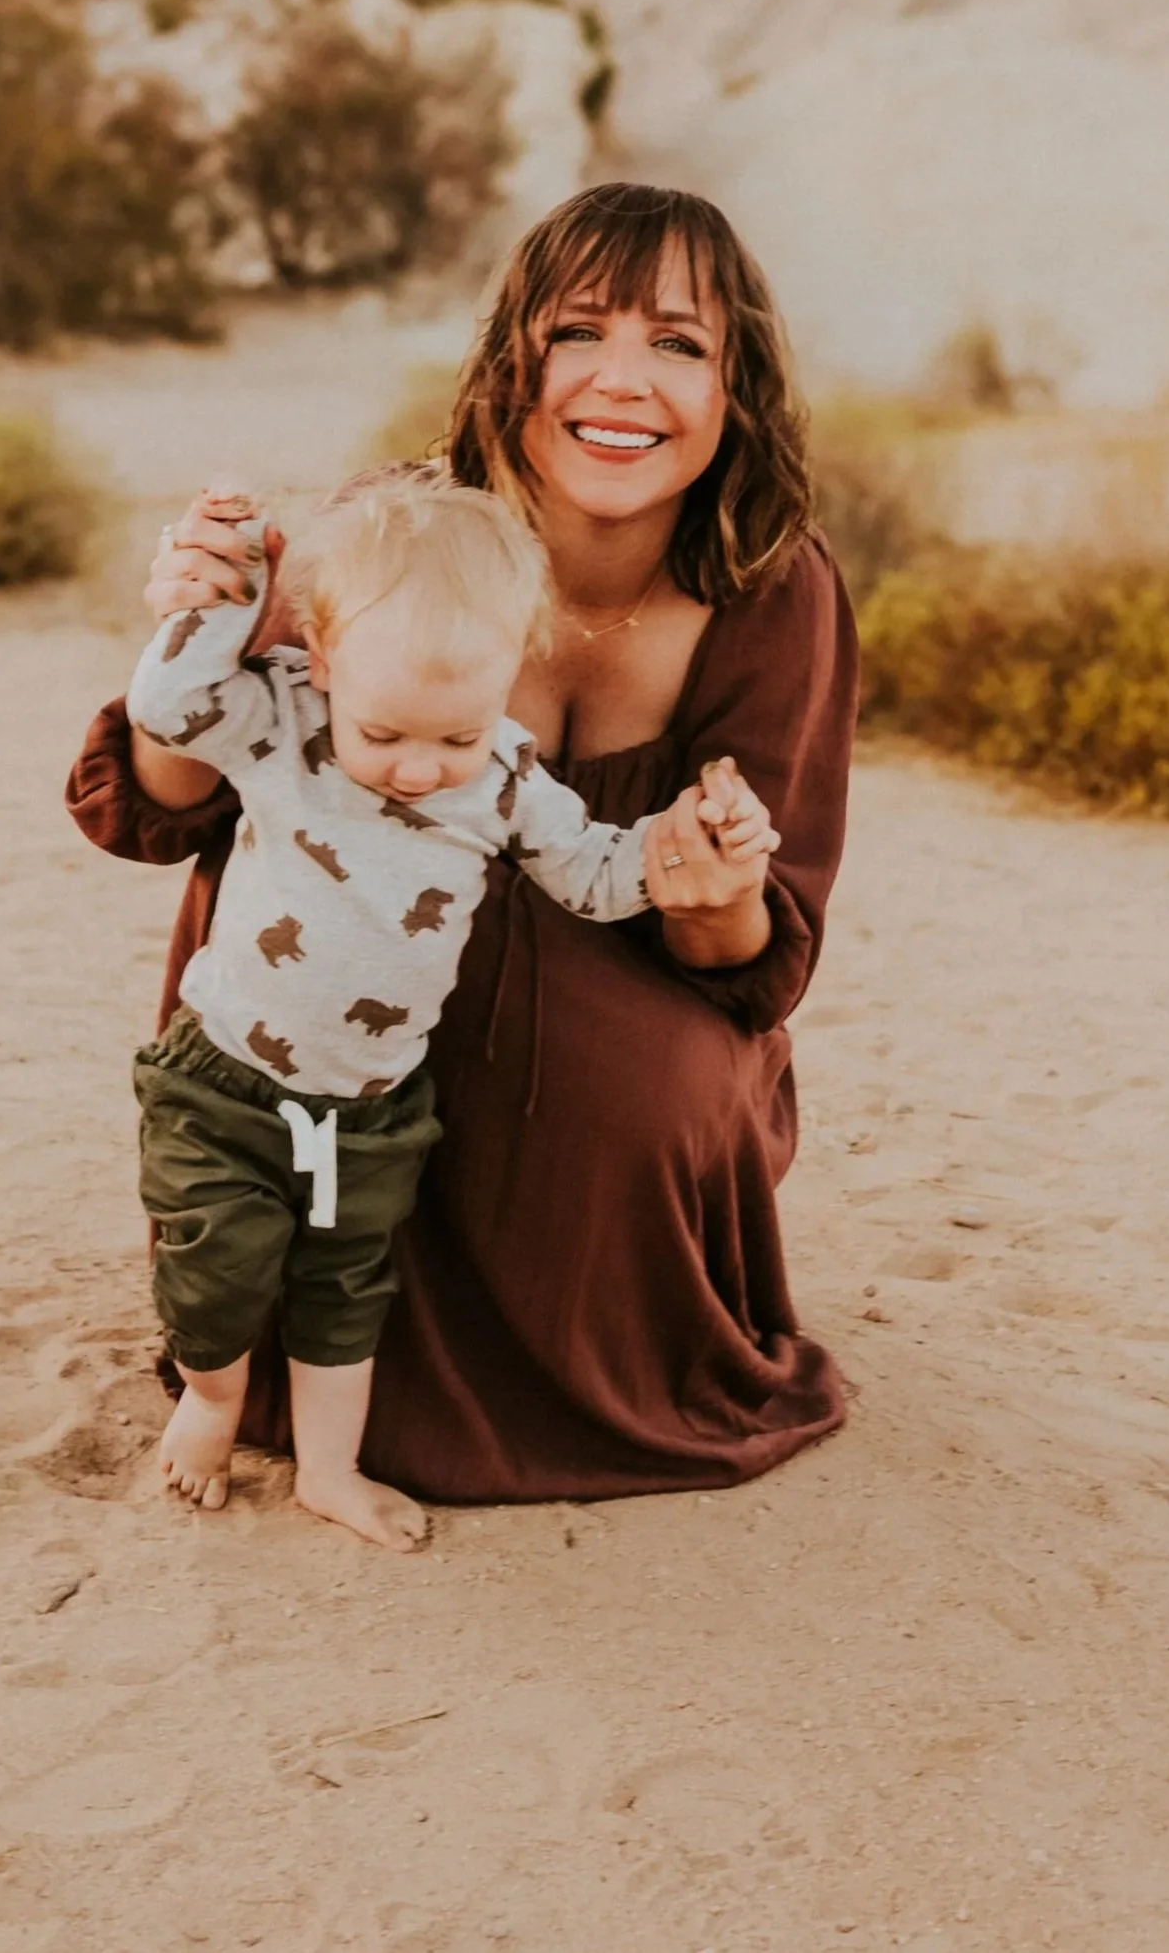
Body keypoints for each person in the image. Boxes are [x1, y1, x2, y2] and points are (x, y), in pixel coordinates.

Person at [68, 180, 861, 1501]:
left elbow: (756, 959)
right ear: (513, 356)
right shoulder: (396, 529)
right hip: (331, 974)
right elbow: (163, 805)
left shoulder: (772, 591)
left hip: (629, 944)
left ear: (737, 388)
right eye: (578, 332)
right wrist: (193, 634)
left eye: (679, 341)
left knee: (641, 1097)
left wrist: (710, 879)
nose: (626, 379)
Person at [125, 471, 778, 1546]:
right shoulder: (283, 716)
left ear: (508, 679)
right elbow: (166, 706)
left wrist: (683, 848)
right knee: (217, 1267)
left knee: (347, 1293)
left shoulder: (506, 780)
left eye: (457, 738)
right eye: (385, 736)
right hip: (223, 1080)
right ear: (326, 659)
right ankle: (213, 1400)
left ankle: (330, 1472)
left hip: (372, 1110)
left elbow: (595, 876)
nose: (421, 771)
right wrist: (225, 601)